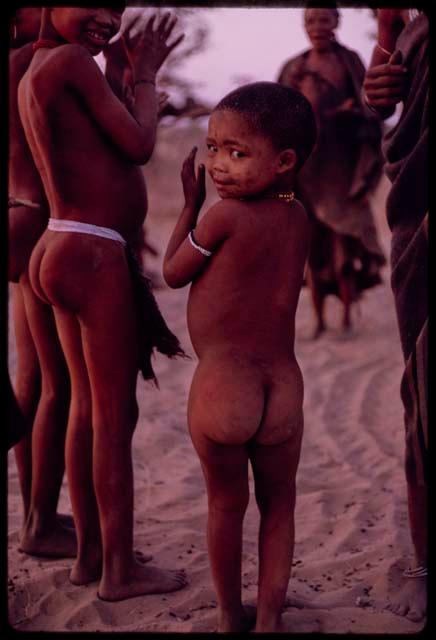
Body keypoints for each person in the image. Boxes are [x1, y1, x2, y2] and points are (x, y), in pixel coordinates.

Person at [18, 6, 187, 601]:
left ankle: (90, 557)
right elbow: (139, 144)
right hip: (90, 252)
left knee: (88, 409)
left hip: (60, 243)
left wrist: (120, 73)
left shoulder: (42, 64)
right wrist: (144, 76)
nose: (107, 16)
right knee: (114, 421)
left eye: (116, 6)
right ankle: (120, 570)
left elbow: (100, 146)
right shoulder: (67, 61)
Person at [164, 82, 317, 633]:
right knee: (280, 506)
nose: (218, 166)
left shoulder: (222, 217)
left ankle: (231, 616)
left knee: (226, 506)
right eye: (211, 148)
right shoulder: (298, 219)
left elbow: (174, 271)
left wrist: (189, 207)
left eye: (236, 153)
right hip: (283, 388)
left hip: (223, 387)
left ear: (283, 161)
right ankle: (270, 619)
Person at [363, 7, 428, 623]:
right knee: (422, 400)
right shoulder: (410, 28)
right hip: (415, 223)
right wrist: (387, 41)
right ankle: (424, 565)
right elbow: (381, 110)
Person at [8, 7, 76, 557]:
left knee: (33, 379)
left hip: (20, 222)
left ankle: (40, 512)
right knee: (60, 384)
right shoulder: (38, 63)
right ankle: (39, 522)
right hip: (38, 227)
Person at [278, 6, 386, 338]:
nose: (317, 27)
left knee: (343, 241)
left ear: (336, 22)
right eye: (310, 20)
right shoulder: (294, 67)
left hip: (341, 167)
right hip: (304, 169)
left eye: (324, 19)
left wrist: (350, 112)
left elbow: (373, 106)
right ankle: (320, 321)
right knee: (309, 244)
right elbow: (277, 112)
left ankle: (347, 319)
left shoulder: (348, 61)